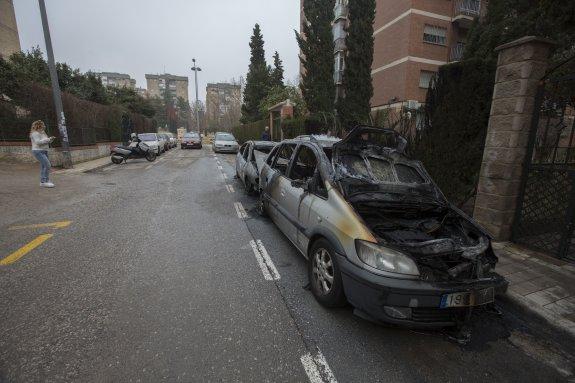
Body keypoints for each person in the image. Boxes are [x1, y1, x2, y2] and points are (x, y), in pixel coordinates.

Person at [30, 120, 56, 188]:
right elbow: (38, 142)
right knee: (48, 165)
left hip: (44, 151)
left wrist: (50, 139)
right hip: (38, 151)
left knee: (44, 166)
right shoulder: (35, 133)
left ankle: (44, 181)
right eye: (43, 125)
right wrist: (48, 139)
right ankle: (44, 181)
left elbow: (45, 142)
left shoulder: (43, 133)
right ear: (39, 126)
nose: (44, 126)